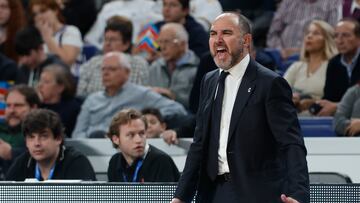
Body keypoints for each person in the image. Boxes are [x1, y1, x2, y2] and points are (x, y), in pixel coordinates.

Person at [171, 12, 309, 203]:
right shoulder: (209, 80)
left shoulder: (270, 83)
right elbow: (200, 143)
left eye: (226, 33)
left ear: (246, 40)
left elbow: (291, 144)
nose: (217, 40)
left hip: (256, 193)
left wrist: (298, 194)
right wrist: (181, 196)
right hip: (212, 193)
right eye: (213, 34)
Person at [72, 52, 187, 138]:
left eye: (112, 69)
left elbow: (177, 109)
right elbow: (78, 133)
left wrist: (144, 119)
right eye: (103, 69)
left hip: (126, 147)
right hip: (94, 147)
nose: (105, 73)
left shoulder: (142, 94)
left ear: (127, 72)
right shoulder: (92, 99)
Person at [5, 109, 96, 181]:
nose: (37, 143)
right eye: (31, 137)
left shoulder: (76, 162)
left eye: (44, 136)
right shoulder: (22, 163)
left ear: (58, 139)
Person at [76, 15, 149, 98]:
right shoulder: (92, 63)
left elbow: (140, 96)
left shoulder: (138, 64)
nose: (107, 44)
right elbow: (80, 95)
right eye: (106, 39)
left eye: (113, 40)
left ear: (126, 44)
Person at [106, 108, 180, 182]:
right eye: (130, 135)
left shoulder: (161, 161)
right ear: (116, 139)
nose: (138, 140)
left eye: (141, 133)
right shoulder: (114, 162)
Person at [283, 20, 338, 114]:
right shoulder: (296, 66)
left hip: (319, 115)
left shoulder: (334, 66)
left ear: (327, 39)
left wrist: (313, 102)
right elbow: (279, 92)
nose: (309, 36)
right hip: (291, 114)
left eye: (316, 33)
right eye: (308, 33)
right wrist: (292, 97)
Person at [148, 23, 199, 109]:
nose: (162, 47)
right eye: (160, 42)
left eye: (167, 42)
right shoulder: (155, 67)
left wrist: (172, 95)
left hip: (187, 118)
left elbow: (198, 104)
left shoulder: (197, 68)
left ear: (182, 44)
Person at [317, 18, 360, 116]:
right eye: (336, 36)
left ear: (358, 38)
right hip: (340, 115)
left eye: (345, 35)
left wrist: (337, 106)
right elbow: (329, 97)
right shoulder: (333, 63)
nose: (339, 41)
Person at [29, 0, 83, 76]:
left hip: (67, 79)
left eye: (43, 11)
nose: (39, 17)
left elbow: (65, 62)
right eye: (35, 14)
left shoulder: (70, 31)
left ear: (55, 11)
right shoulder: (35, 36)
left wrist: (48, 38)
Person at [0, 85, 40, 179]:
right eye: (8, 105)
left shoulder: (44, 130)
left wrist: (12, 154)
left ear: (33, 108)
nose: (12, 110)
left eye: (18, 105)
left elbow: (50, 156)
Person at [37, 64, 81, 137]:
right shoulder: (36, 104)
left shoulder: (72, 108)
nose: (40, 85)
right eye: (40, 81)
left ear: (60, 87)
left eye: (46, 82)